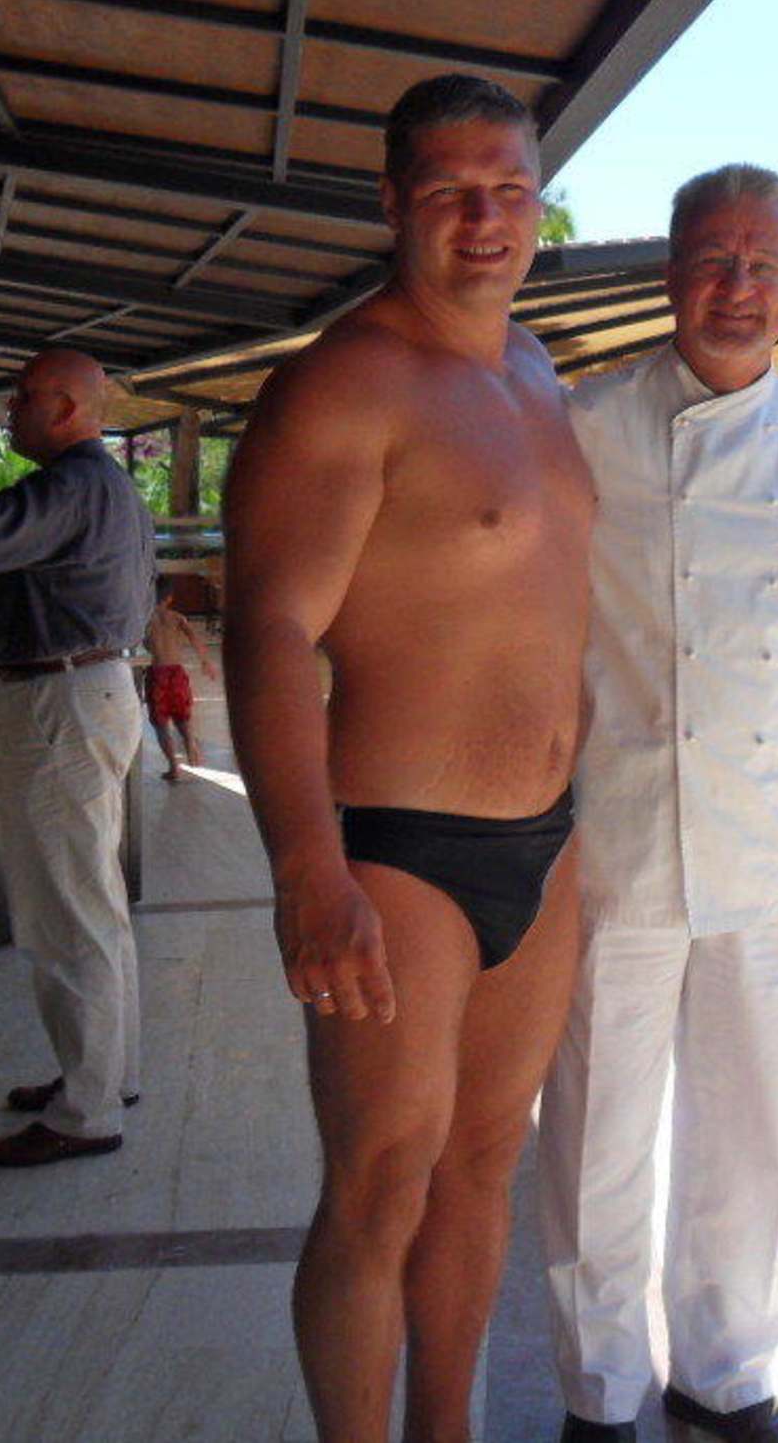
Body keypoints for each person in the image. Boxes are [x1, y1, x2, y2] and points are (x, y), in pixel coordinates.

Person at [220, 74, 593, 1443]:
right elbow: (269, 630)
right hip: (396, 848)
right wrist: (306, 870)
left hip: (547, 838)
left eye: (509, 191)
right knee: (380, 1186)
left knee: (486, 1168)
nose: (484, 220)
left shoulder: (538, 373)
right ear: (392, 203)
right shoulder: (345, 383)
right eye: (449, 192)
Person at [538, 165, 778, 1443]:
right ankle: (598, 1394)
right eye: (713, 260)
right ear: (670, 272)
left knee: (750, 1127)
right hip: (617, 826)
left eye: (763, 266)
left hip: (768, 832)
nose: (737, 288)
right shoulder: (583, 424)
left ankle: (726, 1375)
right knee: (598, 1130)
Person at [0, 348, 156, 1169]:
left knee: (66, 909)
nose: (9, 410)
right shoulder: (96, 485)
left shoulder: (76, 482)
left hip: (59, 702)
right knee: (91, 900)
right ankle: (105, 1077)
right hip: (84, 692)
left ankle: (87, 1113)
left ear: (65, 409)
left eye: (22, 398)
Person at [144, 578, 220, 780]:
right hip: (177, 673)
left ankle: (174, 767)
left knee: (160, 723)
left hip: (157, 674)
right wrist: (206, 662)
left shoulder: (145, 619)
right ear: (170, 598)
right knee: (182, 714)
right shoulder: (178, 618)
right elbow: (195, 640)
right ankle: (190, 743)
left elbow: (139, 643)